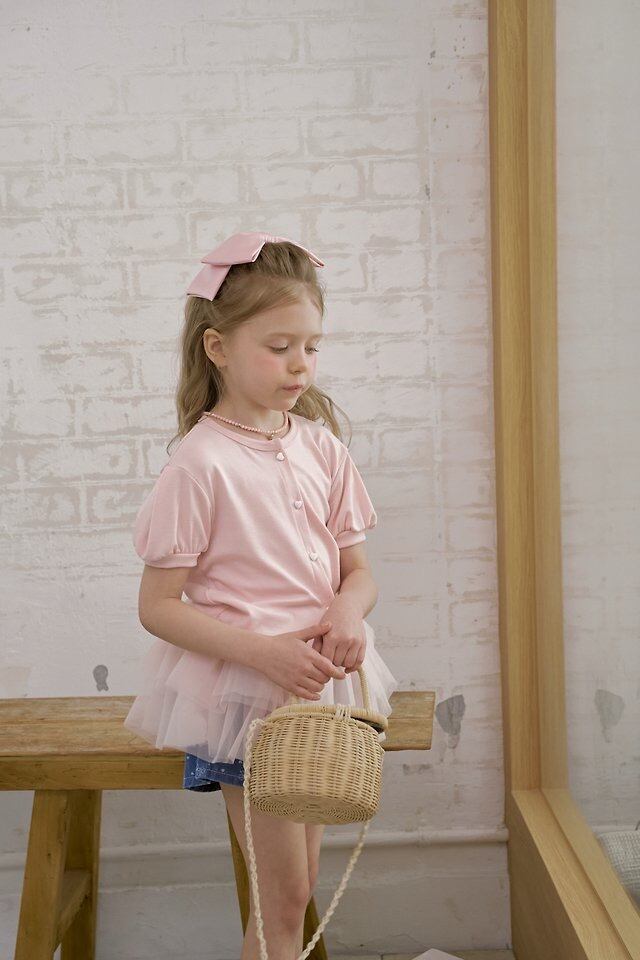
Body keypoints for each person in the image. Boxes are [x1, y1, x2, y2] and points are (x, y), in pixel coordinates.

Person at [123, 231, 399, 960]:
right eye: (279, 347)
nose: (300, 364)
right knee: (282, 901)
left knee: (296, 892)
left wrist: (347, 611)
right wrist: (266, 655)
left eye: (311, 346)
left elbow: (360, 574)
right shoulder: (200, 464)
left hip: (320, 691)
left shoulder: (323, 448)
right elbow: (158, 607)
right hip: (247, 700)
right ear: (217, 347)